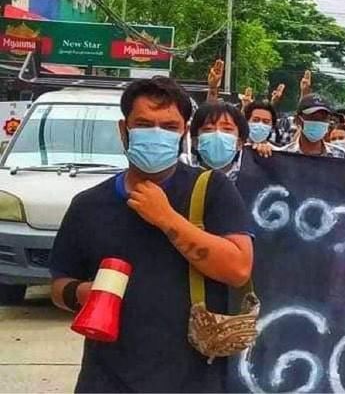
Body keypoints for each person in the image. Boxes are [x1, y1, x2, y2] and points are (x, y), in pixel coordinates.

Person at [48, 77, 253, 392]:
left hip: (192, 379)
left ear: (183, 132)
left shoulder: (212, 189)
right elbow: (58, 284)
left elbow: (238, 268)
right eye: (144, 124)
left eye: (169, 127)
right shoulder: (88, 205)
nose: (157, 134)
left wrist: (167, 218)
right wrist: (81, 294)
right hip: (106, 380)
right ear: (123, 130)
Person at [186, 101, 249, 182]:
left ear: (239, 143)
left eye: (227, 129)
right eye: (208, 129)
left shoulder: (257, 180)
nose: (217, 134)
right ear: (195, 141)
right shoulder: (180, 181)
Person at [280, 94, 345, 158]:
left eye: (323, 118)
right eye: (313, 118)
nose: (318, 122)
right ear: (298, 120)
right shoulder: (284, 156)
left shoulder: (340, 155)